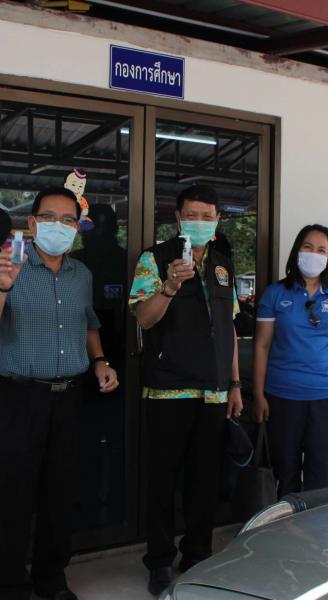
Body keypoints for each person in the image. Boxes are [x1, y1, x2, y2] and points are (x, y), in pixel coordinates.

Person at [0, 186, 118, 600]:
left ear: (78, 227)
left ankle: (51, 578)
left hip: (68, 397)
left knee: (60, 493)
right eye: (50, 217)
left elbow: (88, 323)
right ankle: (7, 585)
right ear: (33, 224)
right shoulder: (7, 266)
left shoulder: (81, 274)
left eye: (68, 219)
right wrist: (2, 287)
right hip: (20, 397)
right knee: (12, 494)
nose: (59, 225)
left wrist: (101, 360)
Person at [129, 184, 243, 596]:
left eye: (207, 216)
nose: (199, 222)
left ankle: (197, 554)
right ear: (178, 218)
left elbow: (228, 328)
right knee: (162, 481)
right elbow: (143, 318)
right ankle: (159, 560)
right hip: (169, 389)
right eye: (191, 215)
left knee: (204, 481)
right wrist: (169, 287)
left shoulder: (223, 264)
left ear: (217, 220)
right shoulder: (154, 258)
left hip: (213, 392)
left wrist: (234, 383)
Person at [253, 224, 328, 495]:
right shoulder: (275, 294)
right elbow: (262, 345)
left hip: (327, 398)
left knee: (320, 479)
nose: (314, 254)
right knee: (285, 475)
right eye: (308, 247)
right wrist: (259, 395)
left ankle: (314, 525)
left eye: (322, 250)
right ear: (296, 250)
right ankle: (287, 522)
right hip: (282, 396)